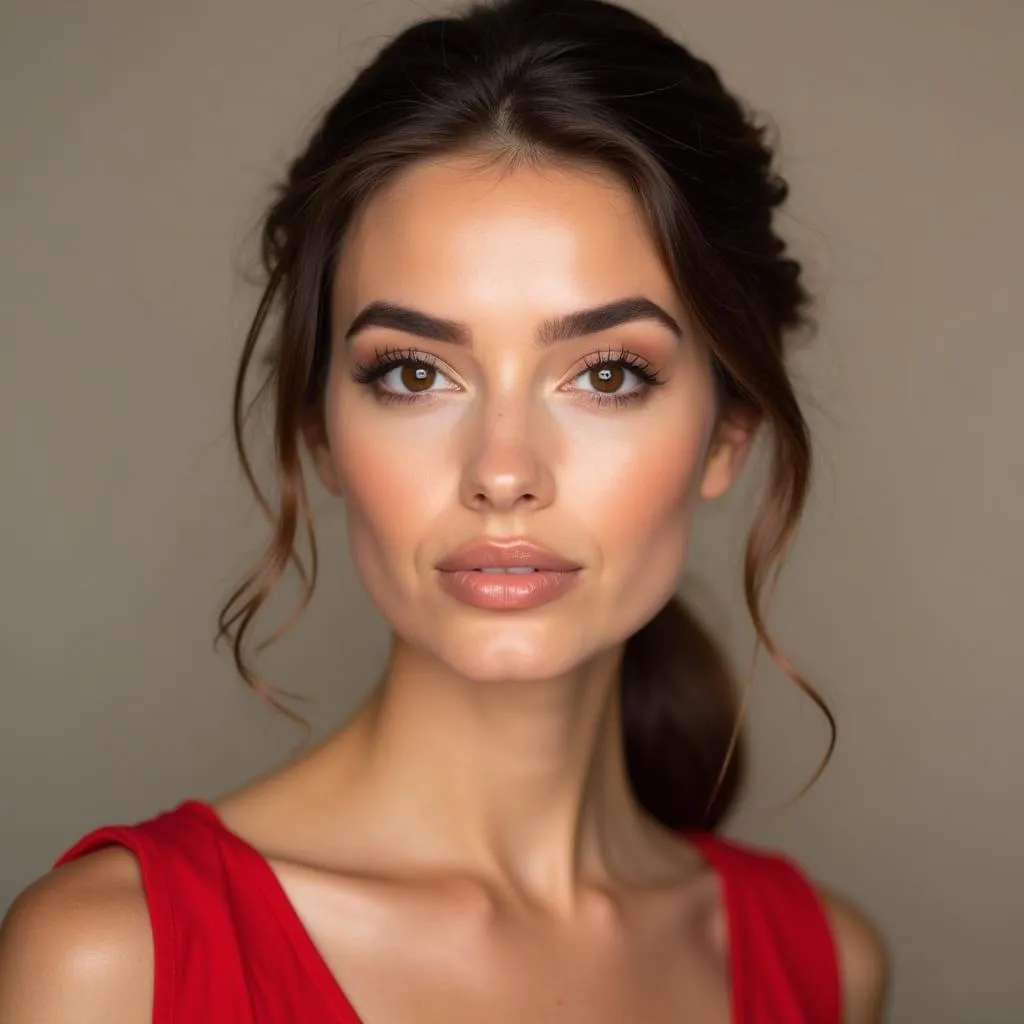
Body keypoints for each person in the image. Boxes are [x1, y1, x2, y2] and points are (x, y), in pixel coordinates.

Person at [0, 0, 891, 1020]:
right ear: (321, 430)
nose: (502, 470)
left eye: (605, 374)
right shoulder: (112, 963)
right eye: (414, 372)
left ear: (727, 430)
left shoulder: (825, 965)